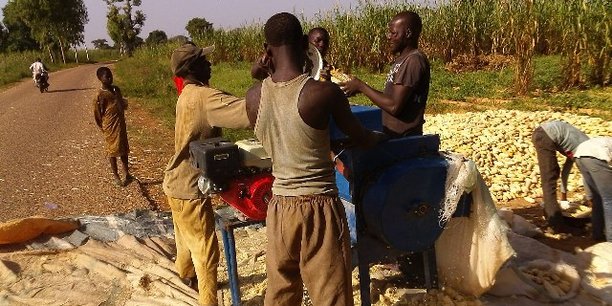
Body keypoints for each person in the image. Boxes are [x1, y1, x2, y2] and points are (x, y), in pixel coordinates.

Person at [245, 12, 384, 306]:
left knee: (281, 291)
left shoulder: (253, 97)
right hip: (318, 206)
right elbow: (360, 137)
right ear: (305, 44)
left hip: (280, 205)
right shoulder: (322, 93)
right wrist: (381, 137)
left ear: (267, 50)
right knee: (330, 293)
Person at [163, 43, 251, 305]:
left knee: (184, 239)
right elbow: (247, 114)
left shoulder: (187, 94)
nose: (210, 64)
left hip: (174, 182)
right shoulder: (205, 97)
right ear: (192, 68)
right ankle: (208, 300)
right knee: (205, 252)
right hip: (191, 188)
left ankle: (184, 274)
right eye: (204, 61)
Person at [340, 11, 431, 138]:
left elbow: (394, 106)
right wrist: (359, 89)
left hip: (404, 139)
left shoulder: (413, 61)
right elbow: (391, 98)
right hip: (393, 135)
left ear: (408, 33)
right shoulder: (402, 60)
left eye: (394, 33)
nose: (388, 37)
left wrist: (361, 86)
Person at [531, 120, 590, 231]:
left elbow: (565, 172)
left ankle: (553, 216)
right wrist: (592, 199)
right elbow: (588, 177)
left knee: (553, 173)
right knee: (549, 179)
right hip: (545, 135)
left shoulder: (581, 147)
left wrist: (564, 197)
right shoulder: (586, 151)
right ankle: (556, 223)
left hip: (544, 132)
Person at [93, 67, 131, 187]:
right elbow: (97, 114)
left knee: (124, 149)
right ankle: (116, 176)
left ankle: (127, 174)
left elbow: (121, 103)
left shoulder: (116, 90)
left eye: (110, 76)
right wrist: (103, 126)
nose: (109, 78)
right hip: (110, 126)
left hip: (121, 124)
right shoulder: (100, 95)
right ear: (100, 79)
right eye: (106, 77)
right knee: (112, 151)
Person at [574, 136, 612, 242]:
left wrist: (589, 195)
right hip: (596, 156)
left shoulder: (607, 141)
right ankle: (610, 240)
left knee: (598, 198)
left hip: (579, 155)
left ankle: (597, 234)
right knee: (610, 200)